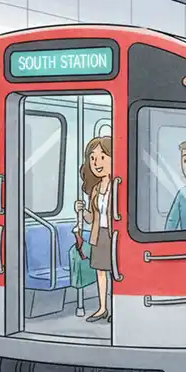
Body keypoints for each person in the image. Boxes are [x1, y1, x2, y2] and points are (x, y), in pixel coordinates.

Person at [74, 136, 114, 324]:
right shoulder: (96, 189)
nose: (96, 163)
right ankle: (103, 308)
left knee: (115, 272)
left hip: (115, 235)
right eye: (92, 158)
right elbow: (93, 218)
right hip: (99, 234)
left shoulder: (119, 186)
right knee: (101, 272)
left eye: (102, 157)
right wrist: (81, 211)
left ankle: (115, 307)